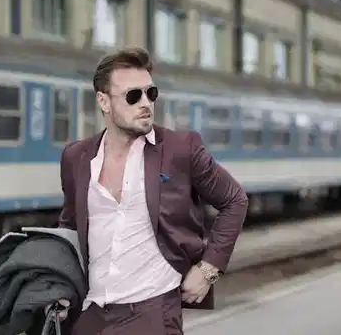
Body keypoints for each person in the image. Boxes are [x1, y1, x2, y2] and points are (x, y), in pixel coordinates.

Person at [53, 46, 249, 335]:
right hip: (88, 314)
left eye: (151, 93)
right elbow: (70, 226)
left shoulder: (181, 149)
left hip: (151, 313)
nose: (145, 103)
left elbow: (235, 200)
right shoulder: (76, 157)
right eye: (133, 96)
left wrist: (208, 269)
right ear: (104, 102)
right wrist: (59, 284)